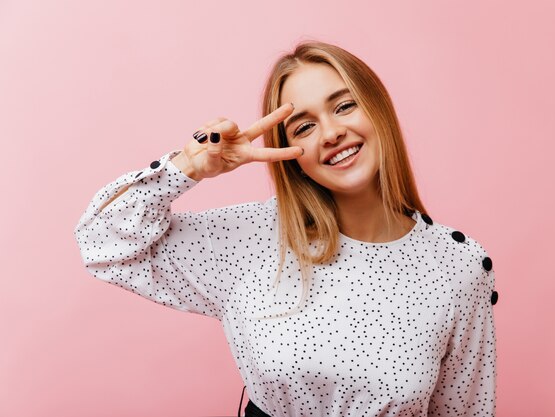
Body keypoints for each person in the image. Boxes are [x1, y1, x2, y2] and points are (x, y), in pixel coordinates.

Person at [74, 40, 499, 417]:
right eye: (305, 127)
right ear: (290, 152)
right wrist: (190, 167)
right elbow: (101, 243)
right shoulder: (252, 238)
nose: (331, 133)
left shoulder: (458, 266)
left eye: (345, 105)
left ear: (379, 108)